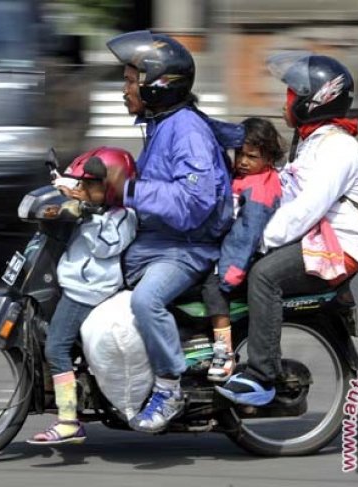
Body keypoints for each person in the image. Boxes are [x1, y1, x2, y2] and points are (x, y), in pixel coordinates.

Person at [216, 52, 358, 406]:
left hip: (341, 246)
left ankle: (262, 375)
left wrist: (259, 242)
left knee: (264, 275)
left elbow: (306, 208)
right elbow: (283, 194)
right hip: (316, 238)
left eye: (291, 95)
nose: (285, 102)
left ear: (315, 100)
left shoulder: (338, 148)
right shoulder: (311, 141)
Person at [104, 30, 233, 433]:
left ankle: (168, 386)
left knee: (146, 301)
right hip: (160, 241)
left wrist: (127, 190)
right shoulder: (161, 124)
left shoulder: (187, 130)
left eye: (130, 81)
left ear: (157, 86)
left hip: (188, 247)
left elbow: (193, 203)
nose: (124, 89)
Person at [28, 147, 138, 445]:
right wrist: (62, 184)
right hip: (74, 283)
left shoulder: (122, 217)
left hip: (87, 291)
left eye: (91, 185)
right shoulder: (97, 205)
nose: (83, 190)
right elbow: (72, 185)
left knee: (56, 349)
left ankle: (67, 420)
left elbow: (106, 247)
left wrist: (87, 212)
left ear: (113, 186)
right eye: (82, 184)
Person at [201, 117, 284, 382]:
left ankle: (224, 352)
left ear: (269, 158)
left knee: (211, 288)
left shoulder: (260, 187)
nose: (243, 161)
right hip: (230, 249)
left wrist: (232, 269)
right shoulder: (243, 177)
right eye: (240, 154)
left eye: (252, 156)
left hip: (243, 258)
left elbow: (247, 233)